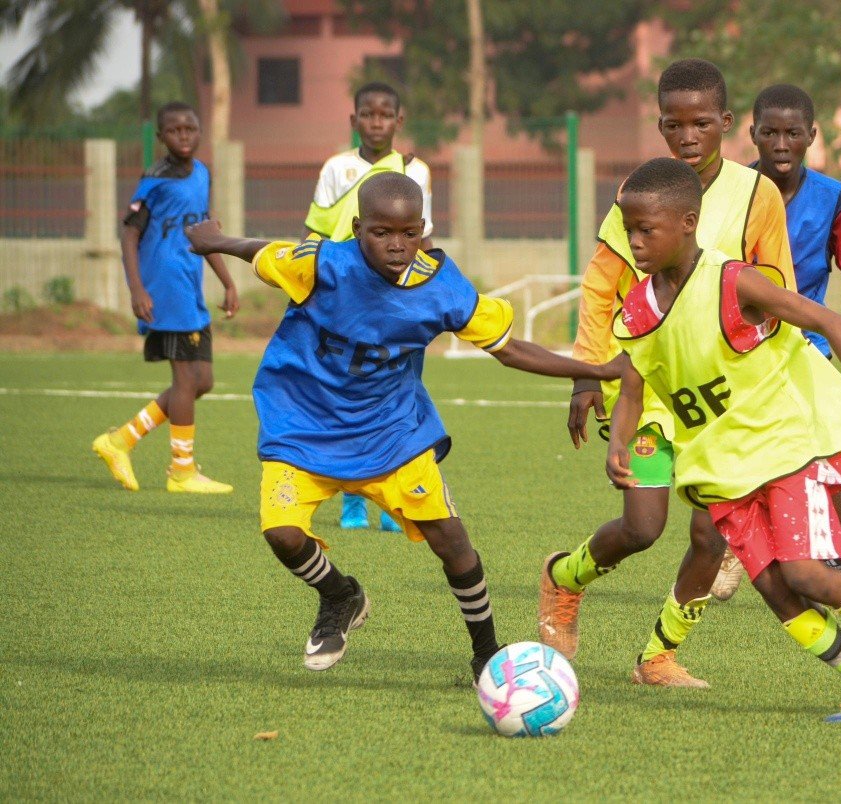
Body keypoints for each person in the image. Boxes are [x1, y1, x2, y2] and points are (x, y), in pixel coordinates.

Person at [184, 172, 623, 677]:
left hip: (391, 433)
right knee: (282, 534)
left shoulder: (442, 288)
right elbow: (262, 251)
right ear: (357, 228)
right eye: (382, 233)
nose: (397, 245)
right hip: (302, 425)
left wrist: (594, 370)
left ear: (423, 230)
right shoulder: (320, 264)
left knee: (451, 540)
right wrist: (216, 240)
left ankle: (486, 654)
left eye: (409, 233)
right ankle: (340, 596)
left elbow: (510, 349)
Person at [606, 157, 841, 723]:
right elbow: (633, 381)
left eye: (646, 229)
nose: (635, 242)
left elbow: (830, 322)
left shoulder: (732, 281)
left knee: (806, 574)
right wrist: (619, 441)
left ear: (688, 223)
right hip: (723, 471)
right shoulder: (639, 309)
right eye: (629, 230)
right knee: (776, 589)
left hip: (787, 449)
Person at [538, 58, 794, 688]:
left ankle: (657, 657)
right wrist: (585, 376)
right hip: (651, 391)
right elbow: (601, 286)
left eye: (700, 124)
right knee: (642, 527)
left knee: (711, 533)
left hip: (723, 398)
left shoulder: (757, 195)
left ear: (725, 123)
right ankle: (563, 578)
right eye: (674, 125)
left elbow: (778, 286)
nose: (688, 137)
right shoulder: (641, 192)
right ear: (659, 127)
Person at [707, 83, 841, 600]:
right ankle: (735, 546)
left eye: (793, 133)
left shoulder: (835, 198)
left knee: (826, 455)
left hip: (808, 348)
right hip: (742, 348)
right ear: (752, 134)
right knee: (742, 455)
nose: (781, 144)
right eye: (770, 133)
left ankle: (831, 565)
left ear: (812, 135)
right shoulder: (731, 191)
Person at [306, 81, 434, 532]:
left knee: (401, 392)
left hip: (398, 297)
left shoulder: (416, 171)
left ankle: (392, 501)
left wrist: (427, 292)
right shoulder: (336, 168)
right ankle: (352, 501)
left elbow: (423, 235)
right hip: (347, 296)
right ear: (354, 119)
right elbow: (316, 232)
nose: (376, 122)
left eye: (384, 115)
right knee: (351, 394)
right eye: (367, 114)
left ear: (399, 121)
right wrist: (307, 286)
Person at [92, 101, 239, 494]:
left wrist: (227, 281)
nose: (184, 136)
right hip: (165, 289)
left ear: (200, 132)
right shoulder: (154, 181)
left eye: (190, 129)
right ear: (161, 137)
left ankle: (120, 440)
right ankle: (182, 471)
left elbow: (203, 233)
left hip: (191, 288)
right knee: (186, 379)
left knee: (202, 380)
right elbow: (129, 235)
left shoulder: (202, 174)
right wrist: (137, 289)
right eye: (175, 130)